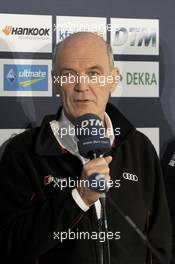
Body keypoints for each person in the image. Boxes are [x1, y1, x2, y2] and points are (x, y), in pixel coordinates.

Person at [0, 32, 172, 264]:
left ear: (113, 79)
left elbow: (158, 242)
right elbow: (8, 245)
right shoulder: (22, 152)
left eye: (94, 73)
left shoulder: (139, 147)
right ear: (55, 82)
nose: (82, 85)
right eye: (69, 74)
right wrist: (78, 199)